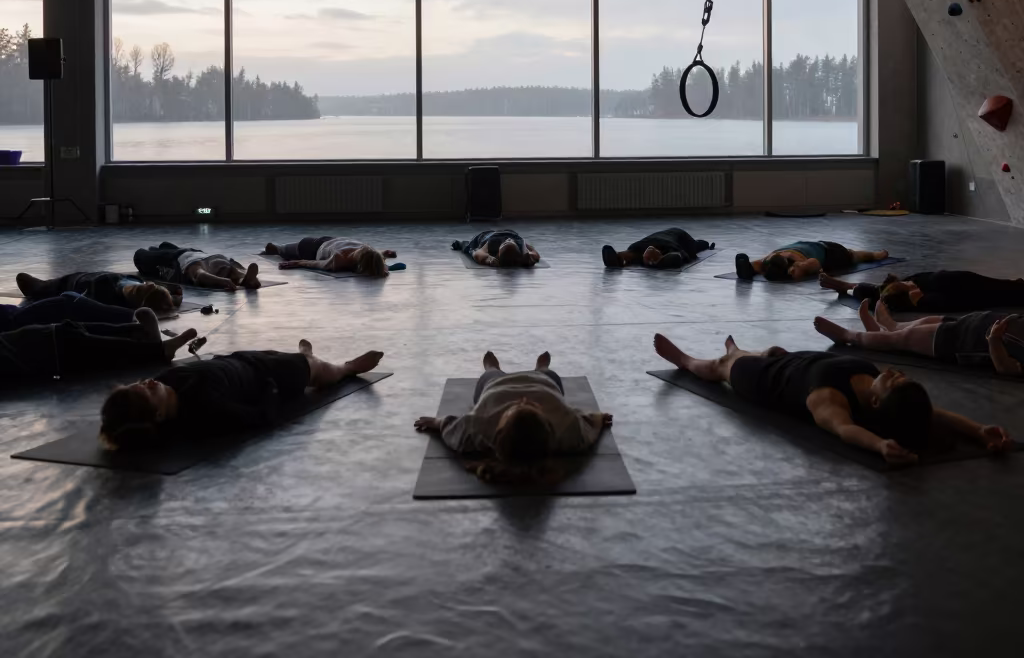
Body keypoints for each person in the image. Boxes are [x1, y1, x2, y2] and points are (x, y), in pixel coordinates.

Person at [652, 332, 1012, 465]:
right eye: (900, 377)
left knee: (724, 365)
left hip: (768, 381)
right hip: (800, 362)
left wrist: (880, 446)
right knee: (772, 350)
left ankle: (686, 359)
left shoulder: (828, 401)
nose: (897, 374)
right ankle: (744, 349)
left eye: (895, 382)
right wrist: (979, 430)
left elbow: (845, 431)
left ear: (876, 404)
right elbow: (934, 414)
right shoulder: (879, 388)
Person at [99, 338, 384, 449]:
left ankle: (304, 354)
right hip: (271, 376)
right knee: (318, 370)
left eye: (140, 382)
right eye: (146, 390)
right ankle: (345, 367)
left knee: (286, 356)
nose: (148, 381)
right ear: (158, 413)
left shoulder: (162, 381)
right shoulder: (207, 410)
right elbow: (261, 416)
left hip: (241, 359)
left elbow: (117, 422)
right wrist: (272, 388)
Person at [414, 350, 612, 481]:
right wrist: (600, 418)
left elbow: (450, 427)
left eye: (516, 407)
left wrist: (436, 422)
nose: (523, 399)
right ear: (550, 427)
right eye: (532, 406)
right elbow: (589, 424)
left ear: (498, 430)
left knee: (491, 374)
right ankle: (541, 367)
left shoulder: (478, 427)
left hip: (496, 385)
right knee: (550, 373)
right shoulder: (567, 428)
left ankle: (492, 367)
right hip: (543, 382)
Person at [814, 300, 1024, 376]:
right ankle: (890, 326)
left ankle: (849, 336)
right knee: (925, 322)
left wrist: (995, 340)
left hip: (956, 343)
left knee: (902, 339)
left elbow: (1005, 368)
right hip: (968, 324)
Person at [0, 307, 198, 383]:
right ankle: (158, 350)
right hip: (48, 354)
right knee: (83, 342)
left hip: (39, 338)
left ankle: (139, 333)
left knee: (71, 329)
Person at [819, 269, 1024, 314]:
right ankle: (845, 287)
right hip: (974, 290)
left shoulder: (914, 283)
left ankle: (845, 286)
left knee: (868, 289)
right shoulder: (924, 298)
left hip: (971, 283)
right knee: (869, 292)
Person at [16, 270, 179, 314]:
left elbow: (77, 304)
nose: (147, 284)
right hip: (88, 276)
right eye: (146, 285)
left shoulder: (106, 296)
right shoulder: (137, 284)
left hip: (64, 285)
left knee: (28, 282)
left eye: (138, 291)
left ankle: (40, 289)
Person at [735, 240, 888, 282]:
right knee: (853, 255)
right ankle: (875, 255)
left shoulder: (774, 260)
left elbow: (814, 264)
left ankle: (874, 255)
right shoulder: (775, 259)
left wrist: (797, 269)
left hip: (827, 251)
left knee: (853, 255)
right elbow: (814, 264)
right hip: (821, 249)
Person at [134, 242, 261, 291]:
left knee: (139, 255)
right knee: (231, 268)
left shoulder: (193, 267)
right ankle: (241, 278)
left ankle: (241, 278)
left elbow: (199, 275)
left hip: (188, 258)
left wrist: (223, 281)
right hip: (212, 257)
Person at [1, 293, 146, 333]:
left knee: (70, 303)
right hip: (15, 320)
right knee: (69, 304)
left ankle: (131, 322)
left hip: (15, 317)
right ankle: (132, 322)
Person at [263, 235, 396, 277]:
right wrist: (297, 263)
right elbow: (316, 264)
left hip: (334, 241)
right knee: (279, 250)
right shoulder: (339, 259)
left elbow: (376, 261)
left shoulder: (369, 250)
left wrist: (382, 255)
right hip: (310, 247)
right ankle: (275, 248)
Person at [601, 228, 715, 270]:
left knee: (634, 251)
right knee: (696, 246)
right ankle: (619, 256)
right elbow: (684, 255)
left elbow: (681, 255)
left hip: (668, 239)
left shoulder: (672, 245)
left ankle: (619, 256)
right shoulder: (680, 241)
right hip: (666, 241)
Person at [452, 229, 540, 268]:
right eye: (509, 242)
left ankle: (460, 244)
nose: (508, 240)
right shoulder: (518, 242)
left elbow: (478, 253)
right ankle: (461, 244)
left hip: (494, 235)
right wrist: (525, 248)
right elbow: (535, 255)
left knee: (471, 250)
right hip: (491, 235)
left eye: (506, 242)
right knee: (469, 249)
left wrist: (488, 259)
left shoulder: (518, 241)